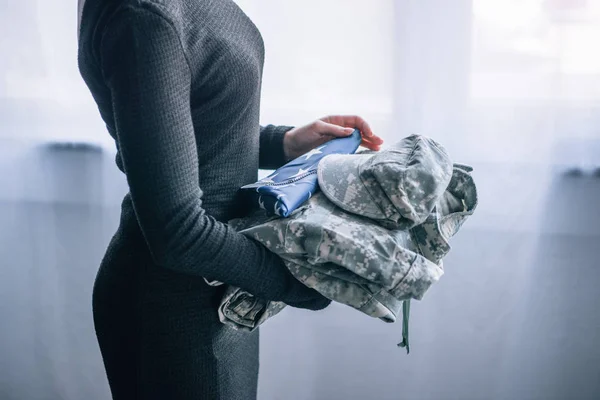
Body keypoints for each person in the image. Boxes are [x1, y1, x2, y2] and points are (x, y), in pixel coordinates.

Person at [76, 0, 384, 398]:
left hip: (219, 287)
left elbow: (190, 124)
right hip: (180, 307)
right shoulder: (140, 18)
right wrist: (304, 280)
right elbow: (178, 232)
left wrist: (283, 143)